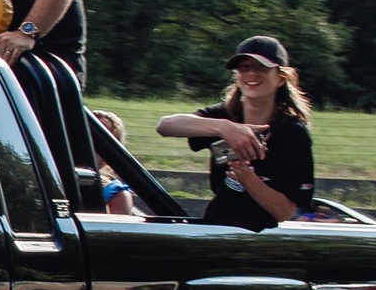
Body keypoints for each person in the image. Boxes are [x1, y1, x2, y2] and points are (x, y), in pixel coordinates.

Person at [154, 36, 316, 231]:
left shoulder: (293, 132)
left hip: (261, 238)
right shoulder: (223, 115)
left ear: (281, 78)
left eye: (261, 67)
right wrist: (225, 128)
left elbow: (283, 212)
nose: (251, 74)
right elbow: (164, 126)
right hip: (215, 229)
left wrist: (247, 178)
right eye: (244, 68)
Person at [88, 108, 140, 218]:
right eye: (86, 138)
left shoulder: (116, 195)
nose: (90, 147)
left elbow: (119, 233)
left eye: (100, 144)